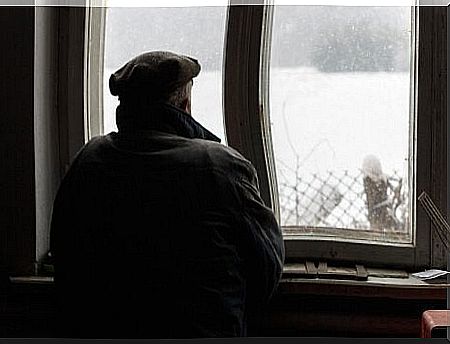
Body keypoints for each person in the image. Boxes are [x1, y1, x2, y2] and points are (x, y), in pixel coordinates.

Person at [50, 51, 284, 339]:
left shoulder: (88, 160)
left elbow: (64, 257)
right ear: (184, 106)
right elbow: (267, 267)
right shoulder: (218, 167)